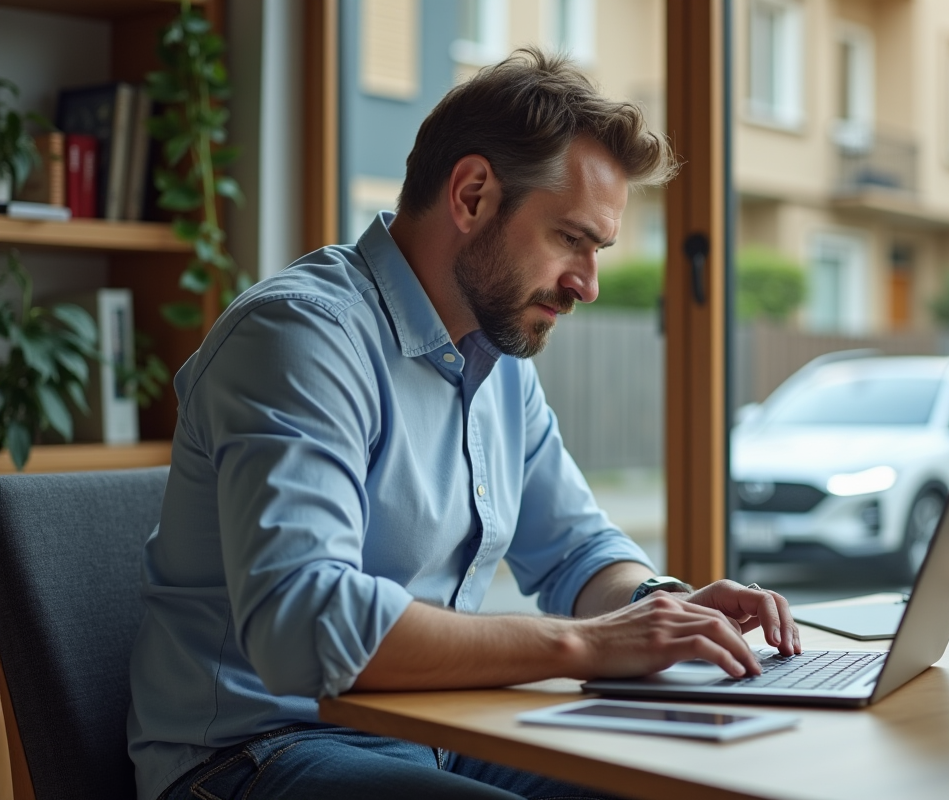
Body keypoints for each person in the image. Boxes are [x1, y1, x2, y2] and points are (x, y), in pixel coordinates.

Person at [127, 49, 801, 800]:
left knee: (684, 784)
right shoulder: (300, 336)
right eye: (571, 239)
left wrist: (663, 608)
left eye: (598, 249)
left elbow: (579, 551)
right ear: (473, 195)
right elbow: (305, 624)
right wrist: (585, 644)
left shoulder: (498, 359)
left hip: (437, 733)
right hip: (256, 755)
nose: (589, 284)